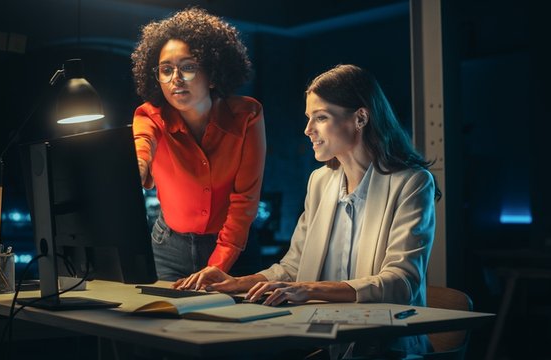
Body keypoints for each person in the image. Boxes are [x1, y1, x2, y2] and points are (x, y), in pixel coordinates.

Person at [175, 64, 440, 357]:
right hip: (322, 342)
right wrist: (234, 283)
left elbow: (400, 283)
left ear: (360, 117)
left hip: (385, 349)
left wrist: (310, 290)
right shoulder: (320, 181)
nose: (307, 130)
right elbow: (291, 268)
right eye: (308, 118)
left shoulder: (412, 183)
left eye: (321, 117)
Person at [130, 7, 266, 281]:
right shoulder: (148, 115)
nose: (175, 79)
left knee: (231, 322)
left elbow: (244, 203)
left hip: (234, 249)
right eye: (166, 70)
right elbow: (141, 145)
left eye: (188, 67)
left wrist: (218, 264)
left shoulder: (247, 116)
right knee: (162, 322)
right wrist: (139, 165)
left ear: (214, 74)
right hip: (167, 248)